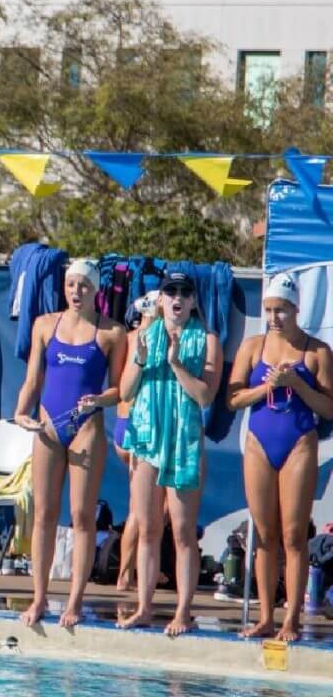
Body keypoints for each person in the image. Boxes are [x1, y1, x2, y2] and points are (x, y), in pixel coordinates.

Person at [13, 258, 126, 627]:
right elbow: (33, 377)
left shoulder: (111, 333)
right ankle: (39, 597)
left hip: (86, 429)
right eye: (71, 284)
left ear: (97, 290)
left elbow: (120, 389)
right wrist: (20, 411)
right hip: (48, 425)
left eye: (84, 286)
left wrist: (99, 401)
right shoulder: (45, 325)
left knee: (81, 515)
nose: (77, 291)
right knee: (43, 514)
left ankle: (75, 600)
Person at [228, 273, 333, 641]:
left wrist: (298, 385)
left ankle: (291, 619)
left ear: (296, 309)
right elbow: (233, 398)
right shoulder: (253, 348)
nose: (274, 318)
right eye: (269, 310)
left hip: (299, 444)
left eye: (282, 311)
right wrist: (264, 388)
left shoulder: (316, 352)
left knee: (293, 536)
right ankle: (266, 617)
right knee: (263, 535)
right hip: (259, 443)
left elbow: (330, 409)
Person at [118, 271, 221, 636]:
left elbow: (205, 396)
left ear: (193, 301)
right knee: (147, 528)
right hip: (148, 437)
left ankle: (182, 611)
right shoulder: (143, 336)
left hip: (183, 440)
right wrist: (141, 359)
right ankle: (145, 607)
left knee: (181, 532)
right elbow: (125, 393)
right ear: (161, 299)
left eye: (184, 292)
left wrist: (176, 363)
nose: (177, 297)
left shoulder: (208, 342)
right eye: (170, 291)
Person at [115, 290, 160, 592]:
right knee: (141, 510)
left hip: (122, 425)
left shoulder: (127, 338)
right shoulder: (151, 340)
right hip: (139, 427)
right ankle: (126, 574)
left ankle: (129, 572)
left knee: (140, 507)